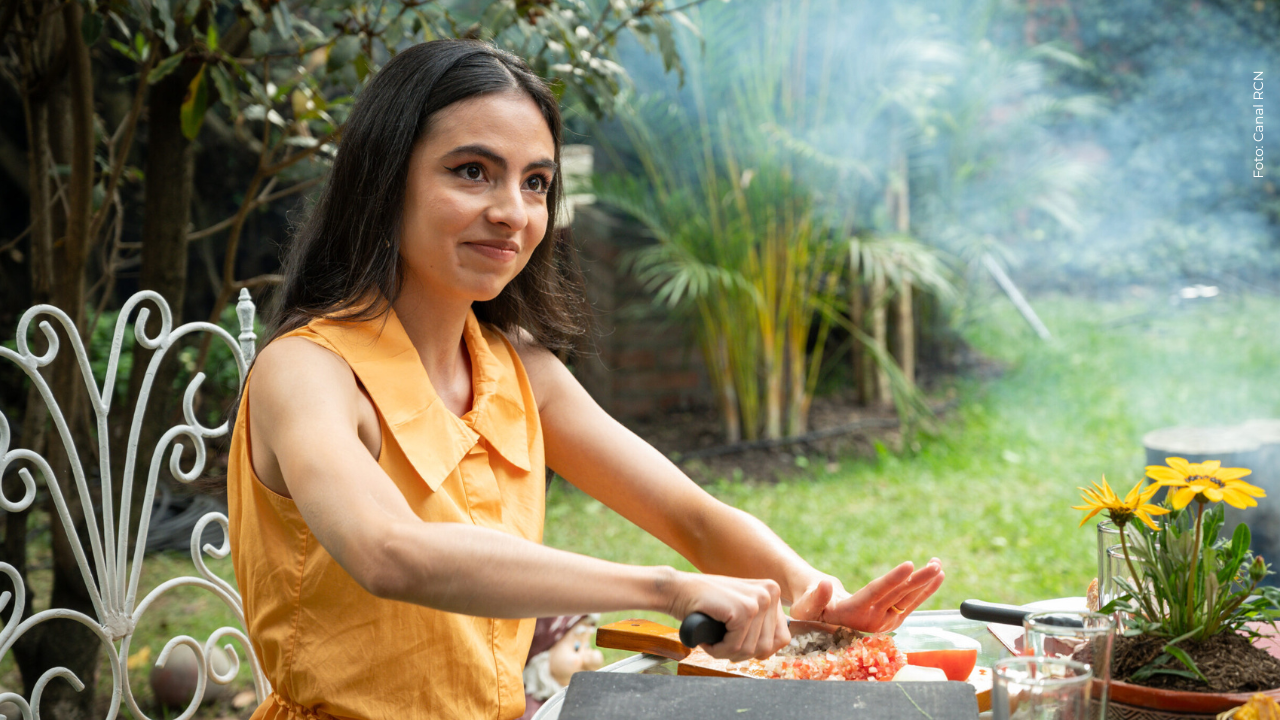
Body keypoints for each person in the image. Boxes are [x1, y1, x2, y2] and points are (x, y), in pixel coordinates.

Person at [227, 39, 945, 720]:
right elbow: (390, 552)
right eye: (471, 170)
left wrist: (812, 594)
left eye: (535, 182)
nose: (513, 212)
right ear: (385, 181)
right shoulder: (306, 371)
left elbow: (690, 517)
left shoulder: (519, 369)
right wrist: (666, 588)